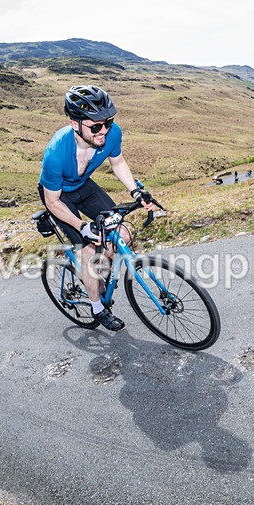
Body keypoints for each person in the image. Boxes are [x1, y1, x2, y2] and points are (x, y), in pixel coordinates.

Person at [38, 85, 157, 331]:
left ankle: (98, 275)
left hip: (84, 186)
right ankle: (97, 308)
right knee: (89, 250)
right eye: (95, 126)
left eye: (108, 123)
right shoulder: (56, 153)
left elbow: (119, 162)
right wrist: (82, 226)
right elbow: (52, 202)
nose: (104, 131)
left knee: (122, 231)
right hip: (60, 197)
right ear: (75, 124)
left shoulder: (111, 134)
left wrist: (135, 190)